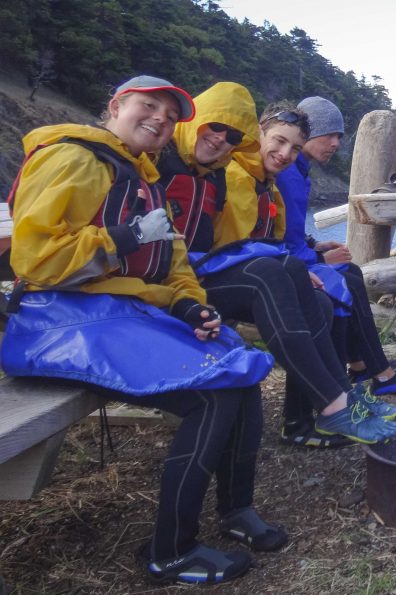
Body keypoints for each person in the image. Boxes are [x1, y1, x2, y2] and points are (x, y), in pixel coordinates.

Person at [3, 75, 282, 584]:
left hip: (120, 313)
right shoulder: (73, 157)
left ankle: (236, 510)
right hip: (59, 320)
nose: (160, 119)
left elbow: (173, 265)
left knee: (241, 366)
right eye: (148, 106)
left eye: (172, 116)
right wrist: (125, 236)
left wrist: (190, 308)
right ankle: (170, 551)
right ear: (116, 106)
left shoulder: (146, 178)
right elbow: (38, 260)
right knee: (213, 395)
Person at [163, 88, 396, 446]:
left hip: (226, 274)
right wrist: (307, 261)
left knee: (322, 299)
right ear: (259, 133)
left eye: (294, 147)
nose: (286, 154)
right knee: (304, 281)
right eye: (279, 142)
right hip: (202, 282)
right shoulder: (234, 176)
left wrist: (306, 250)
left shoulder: (265, 181)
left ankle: (314, 415)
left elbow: (274, 239)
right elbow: (233, 244)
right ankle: (334, 403)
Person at [276, 96, 396, 403]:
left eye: (338, 135)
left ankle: (364, 366)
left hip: (291, 258)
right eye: (329, 135)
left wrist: (312, 244)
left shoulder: (298, 170)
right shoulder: (288, 173)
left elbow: (285, 230)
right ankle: (380, 374)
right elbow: (272, 237)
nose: (335, 142)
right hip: (285, 267)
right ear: (307, 133)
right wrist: (318, 257)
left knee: (349, 272)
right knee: (347, 277)